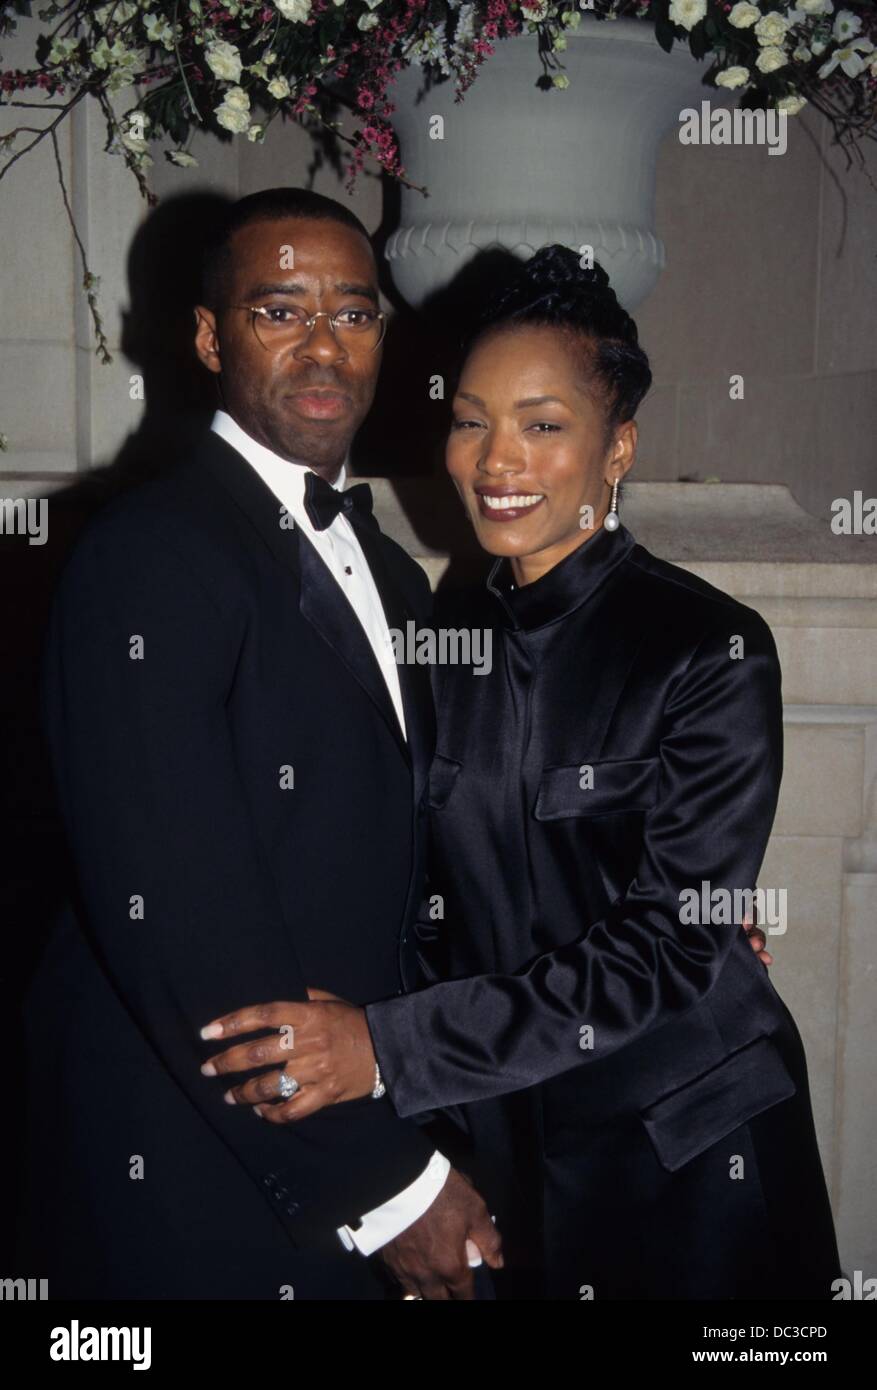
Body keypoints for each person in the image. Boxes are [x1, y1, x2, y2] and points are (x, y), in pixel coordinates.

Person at [203, 246, 841, 1300]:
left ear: (617, 447)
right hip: (497, 1152)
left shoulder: (708, 648)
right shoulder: (426, 631)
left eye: (543, 426)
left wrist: (386, 1050)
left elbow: (667, 951)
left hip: (685, 1155)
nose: (497, 460)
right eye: (470, 420)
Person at [18, 188, 501, 1300]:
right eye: (279, 311)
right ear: (206, 336)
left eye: (354, 312)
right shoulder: (149, 555)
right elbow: (181, 921)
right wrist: (387, 1186)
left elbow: (438, 851)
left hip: (352, 1131)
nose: (325, 345)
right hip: (197, 1165)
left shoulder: (394, 580)